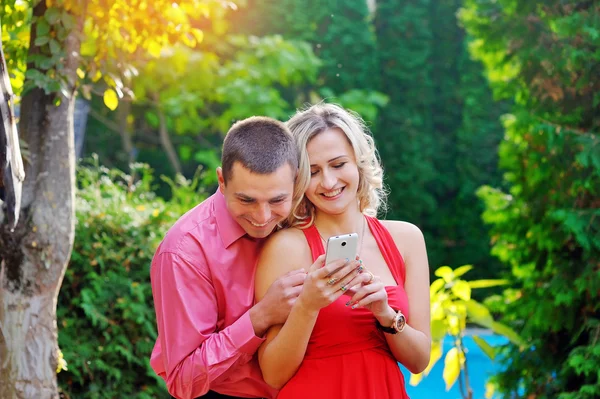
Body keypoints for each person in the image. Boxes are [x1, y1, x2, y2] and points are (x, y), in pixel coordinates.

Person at [254, 103, 432, 398]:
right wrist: (307, 306)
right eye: (313, 171)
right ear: (298, 179)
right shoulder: (285, 247)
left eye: (338, 165)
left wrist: (386, 314)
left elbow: (419, 361)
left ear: (359, 163)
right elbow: (272, 375)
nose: (329, 182)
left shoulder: (407, 239)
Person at [150, 116, 311, 399]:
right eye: (246, 200)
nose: (263, 218)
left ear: (296, 182)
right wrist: (260, 317)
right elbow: (184, 380)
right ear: (222, 181)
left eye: (276, 200)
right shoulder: (184, 251)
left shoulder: (305, 219)